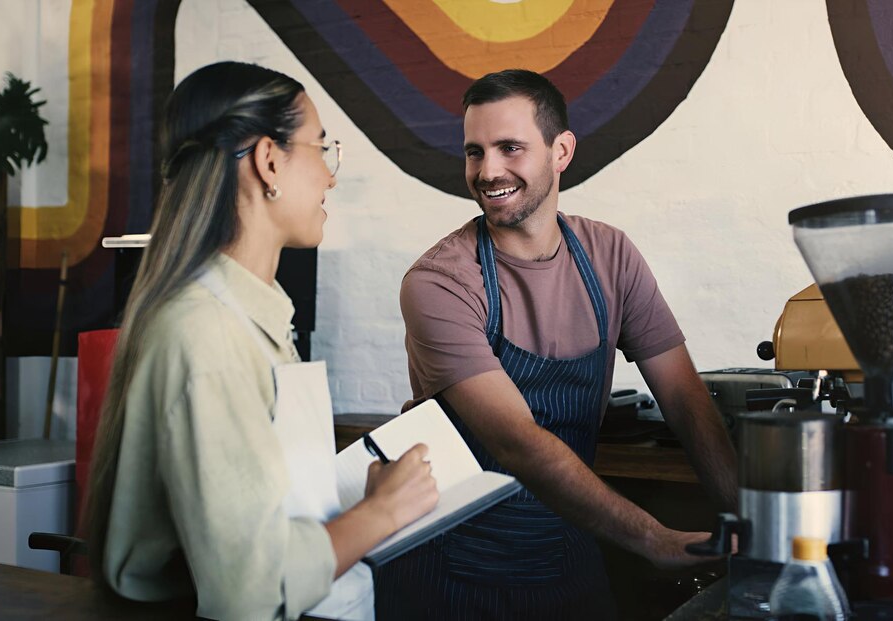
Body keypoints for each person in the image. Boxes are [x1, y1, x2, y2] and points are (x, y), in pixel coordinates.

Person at [376, 69, 739, 620]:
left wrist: (752, 528)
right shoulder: (440, 282)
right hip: (454, 568)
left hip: (568, 552)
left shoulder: (611, 256)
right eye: (475, 152)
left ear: (561, 150)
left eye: (510, 148)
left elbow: (686, 401)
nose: (488, 171)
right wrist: (652, 538)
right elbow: (518, 443)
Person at [82, 61, 438, 621]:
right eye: (321, 148)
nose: (331, 175)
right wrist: (382, 511)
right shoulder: (206, 333)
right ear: (270, 161)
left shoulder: (250, 314)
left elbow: (261, 502)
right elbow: (250, 587)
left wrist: (356, 496)